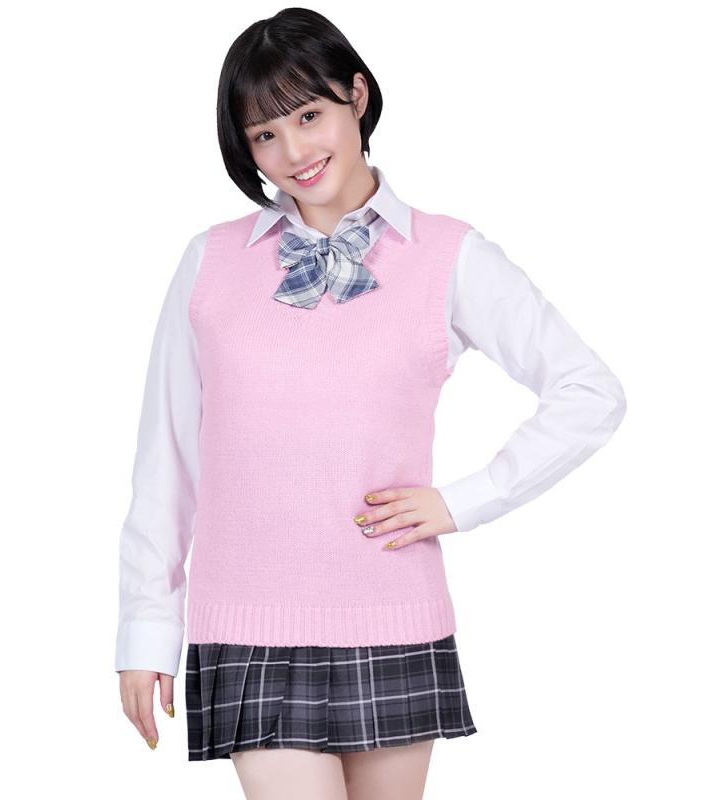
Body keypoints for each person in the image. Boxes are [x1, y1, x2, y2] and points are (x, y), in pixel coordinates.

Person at [115, 7, 627, 799]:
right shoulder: (210, 262)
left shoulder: (448, 254)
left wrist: (463, 501)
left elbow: (589, 391)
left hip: (392, 613)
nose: (294, 152)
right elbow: (167, 460)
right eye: (264, 134)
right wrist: (146, 629)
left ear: (356, 96)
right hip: (248, 623)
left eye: (308, 116)